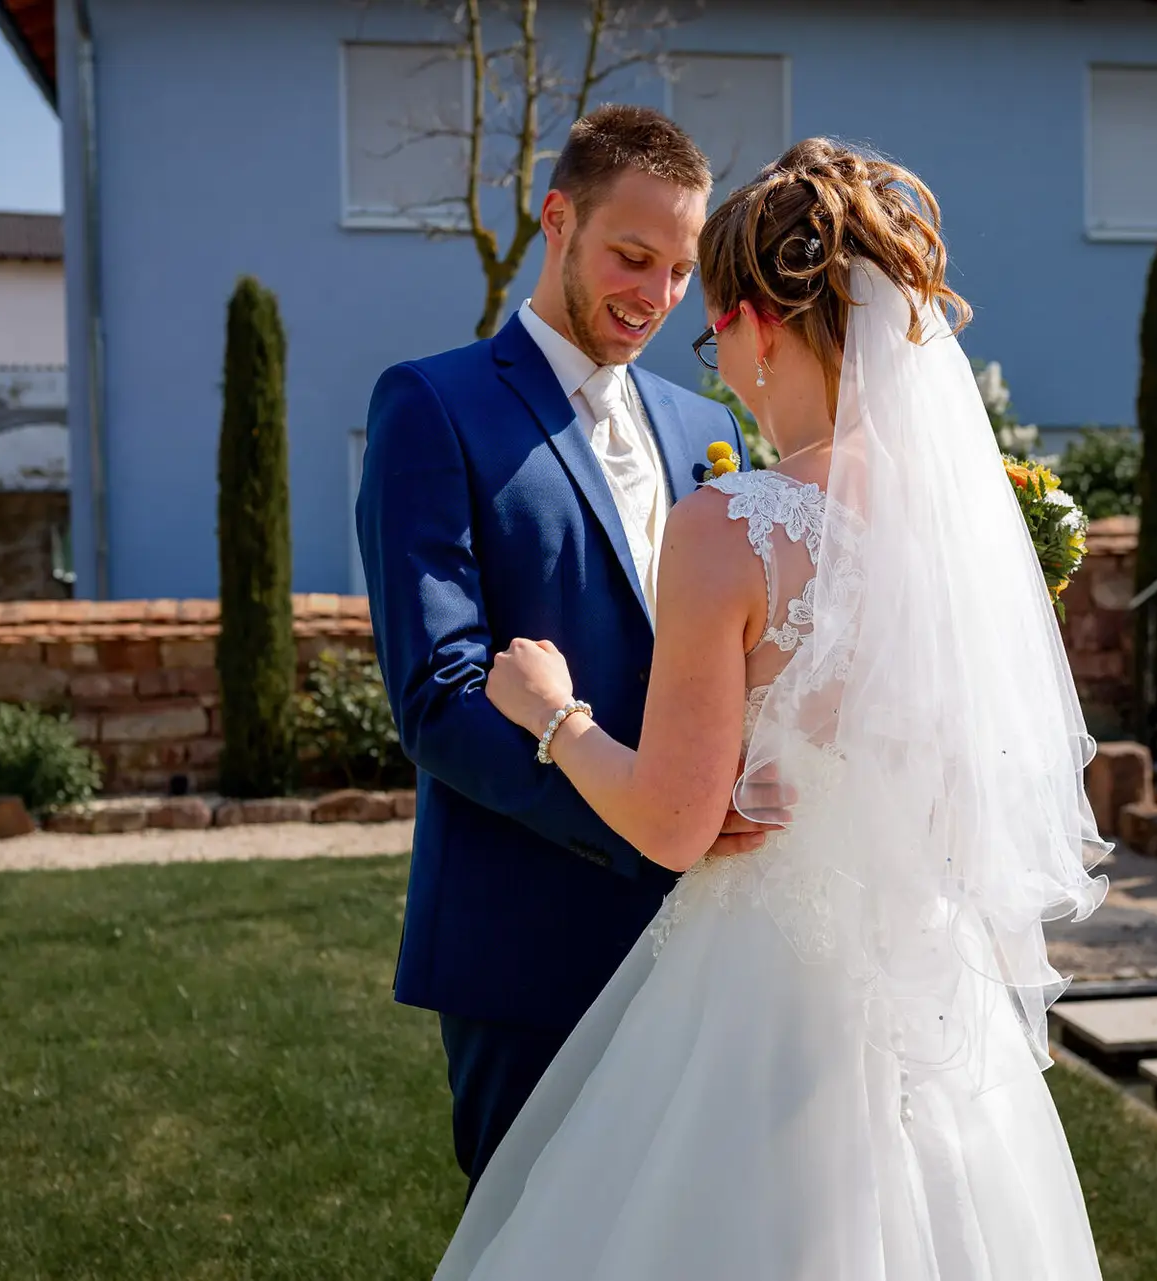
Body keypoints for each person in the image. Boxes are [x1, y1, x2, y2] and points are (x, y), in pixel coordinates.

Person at [442, 138, 1112, 1279]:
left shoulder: (732, 524)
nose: (724, 368)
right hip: (932, 997)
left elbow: (674, 823)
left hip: (767, 990)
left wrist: (553, 714)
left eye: (714, 334)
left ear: (756, 323)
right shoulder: (966, 529)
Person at [354, 104, 776, 1194]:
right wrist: (652, 825)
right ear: (557, 220)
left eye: (680, 271)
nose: (658, 296)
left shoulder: (705, 426)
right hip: (526, 941)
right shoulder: (432, 405)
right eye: (633, 257)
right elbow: (439, 695)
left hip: (708, 941)